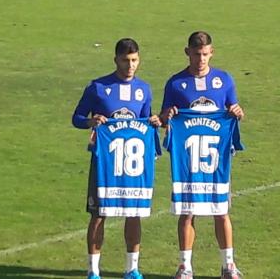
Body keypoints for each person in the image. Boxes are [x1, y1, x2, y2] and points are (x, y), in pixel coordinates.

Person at [72, 38, 161, 279]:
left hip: (133, 165)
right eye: (125, 60)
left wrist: (154, 122)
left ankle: (132, 268)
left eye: (134, 60)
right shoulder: (98, 88)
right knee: (99, 215)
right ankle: (93, 270)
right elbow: (77, 118)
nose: (130, 65)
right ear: (116, 60)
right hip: (105, 164)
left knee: (134, 212)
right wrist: (91, 121)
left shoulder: (144, 89)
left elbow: (144, 122)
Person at [160, 31, 245, 279]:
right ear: (187, 52)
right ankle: (185, 266)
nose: (201, 60)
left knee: (221, 210)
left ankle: (228, 264)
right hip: (187, 160)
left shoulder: (224, 80)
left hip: (216, 160)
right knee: (188, 210)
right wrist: (168, 115)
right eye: (196, 54)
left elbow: (235, 111)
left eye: (205, 54)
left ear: (212, 53)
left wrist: (238, 111)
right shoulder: (176, 84)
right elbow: (164, 118)